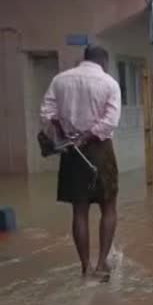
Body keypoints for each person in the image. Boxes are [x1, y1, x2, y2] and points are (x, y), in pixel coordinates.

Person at [40, 45, 122, 281]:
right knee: (109, 207)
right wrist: (88, 135)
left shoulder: (60, 80)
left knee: (80, 210)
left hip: (71, 151)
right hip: (100, 149)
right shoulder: (109, 83)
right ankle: (101, 264)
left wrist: (63, 131)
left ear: (83, 59)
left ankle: (85, 268)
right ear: (104, 63)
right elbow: (110, 121)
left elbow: (46, 113)